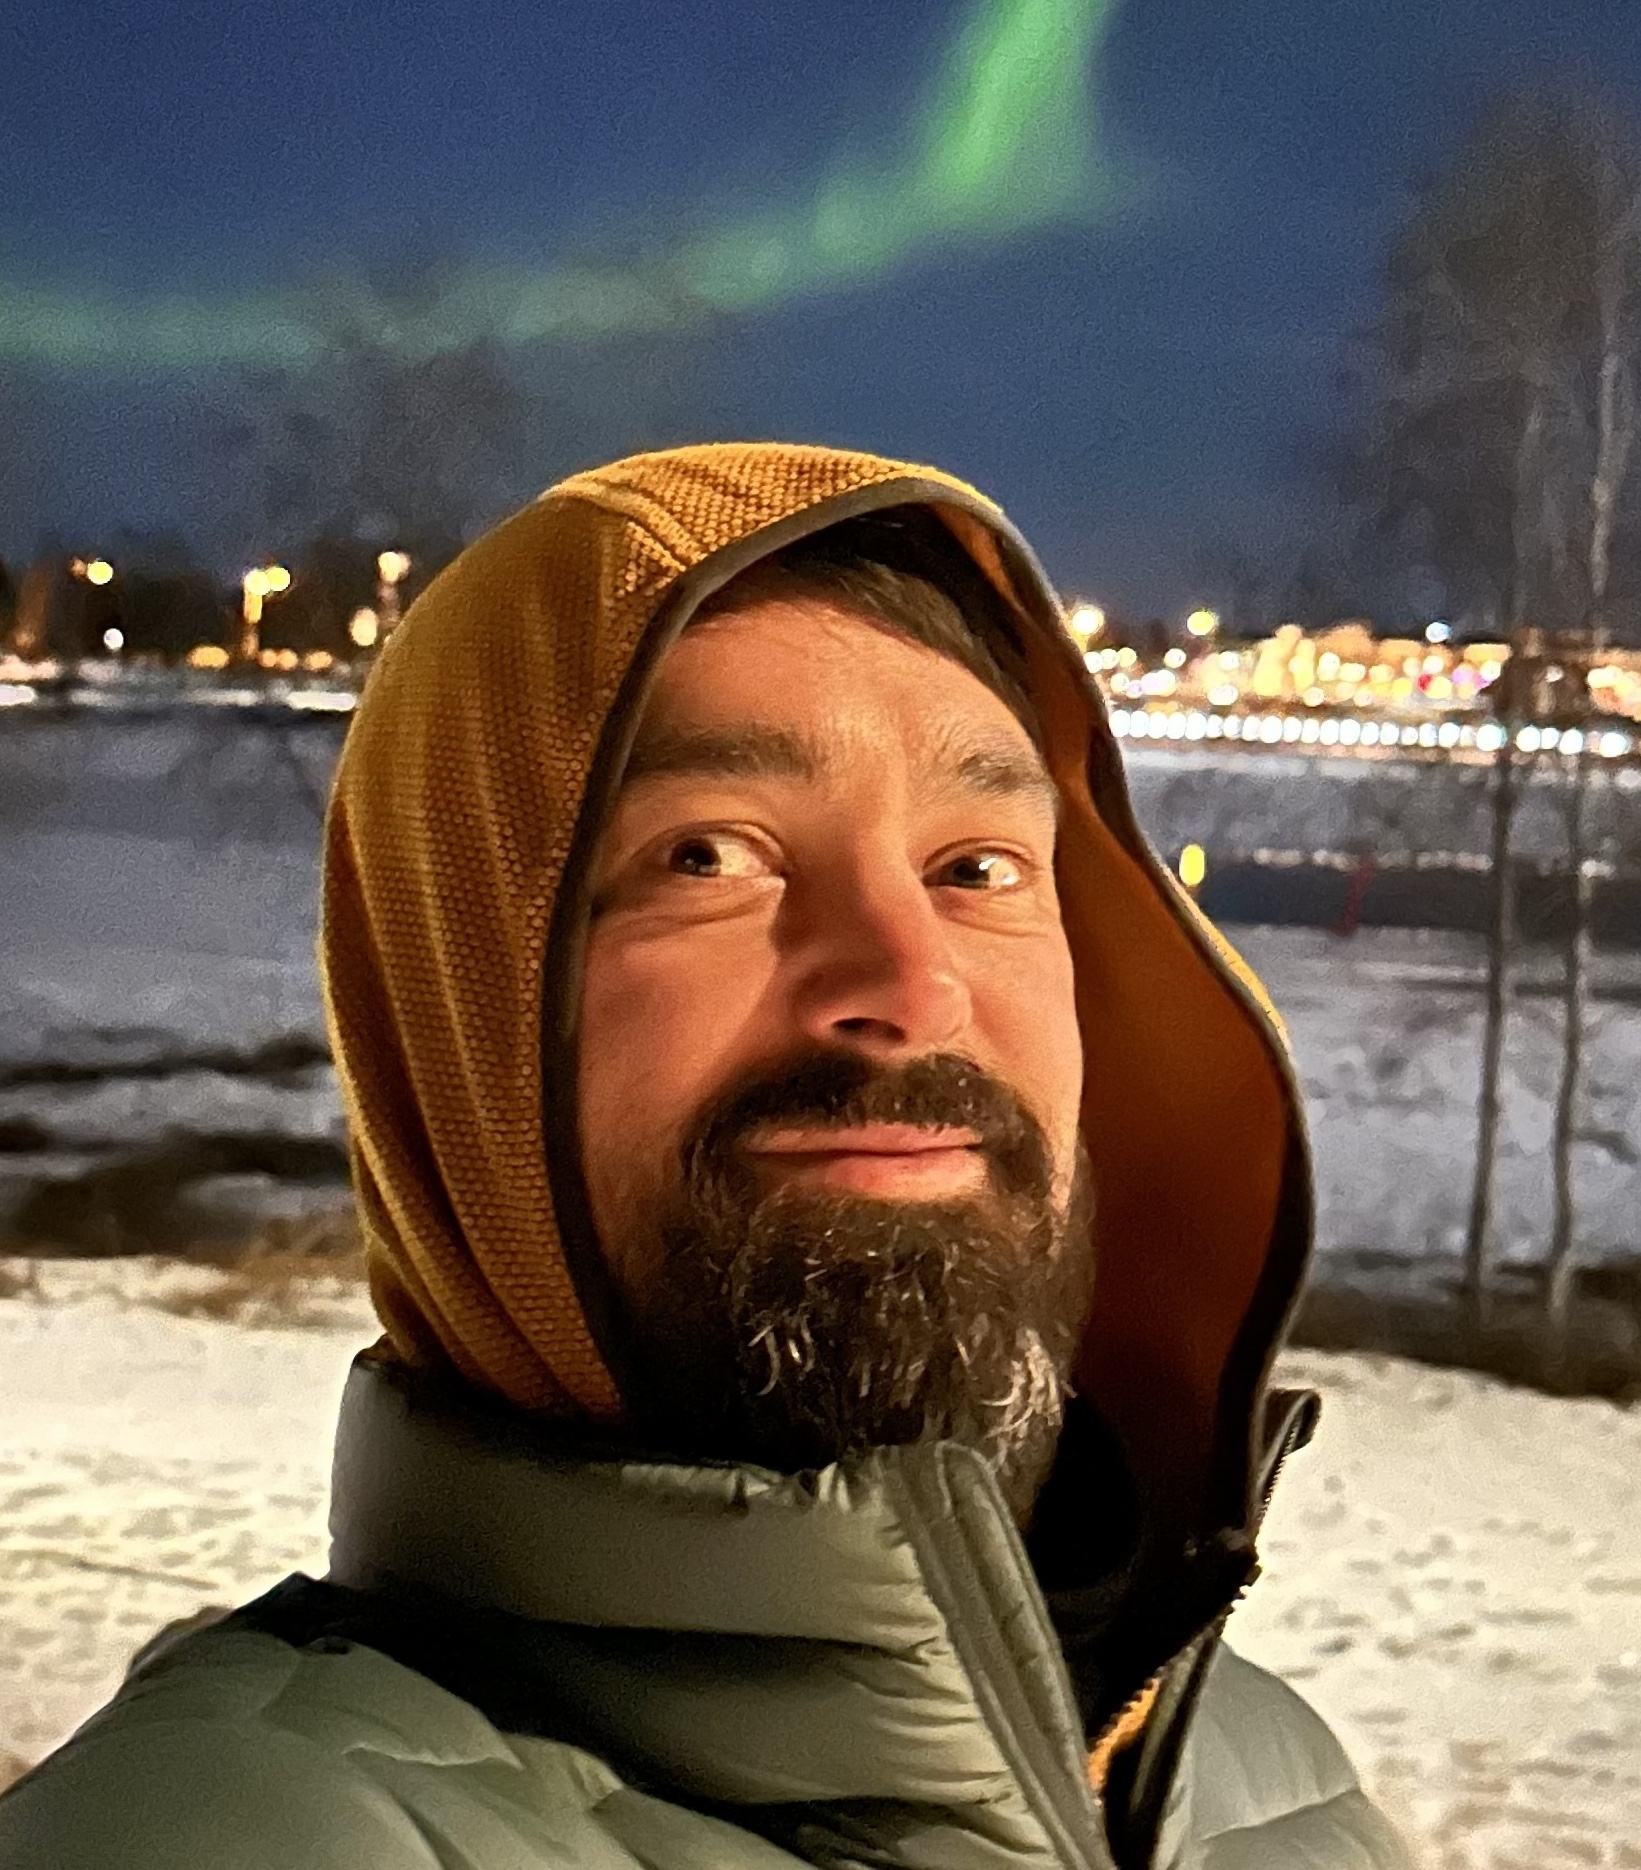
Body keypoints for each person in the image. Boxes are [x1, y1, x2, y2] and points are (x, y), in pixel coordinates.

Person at [0, 444, 1415, 1868]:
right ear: (459, 1022)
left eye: (976, 867)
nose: (907, 985)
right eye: (708, 857)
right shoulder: (236, 1834)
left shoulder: (1261, 1778)